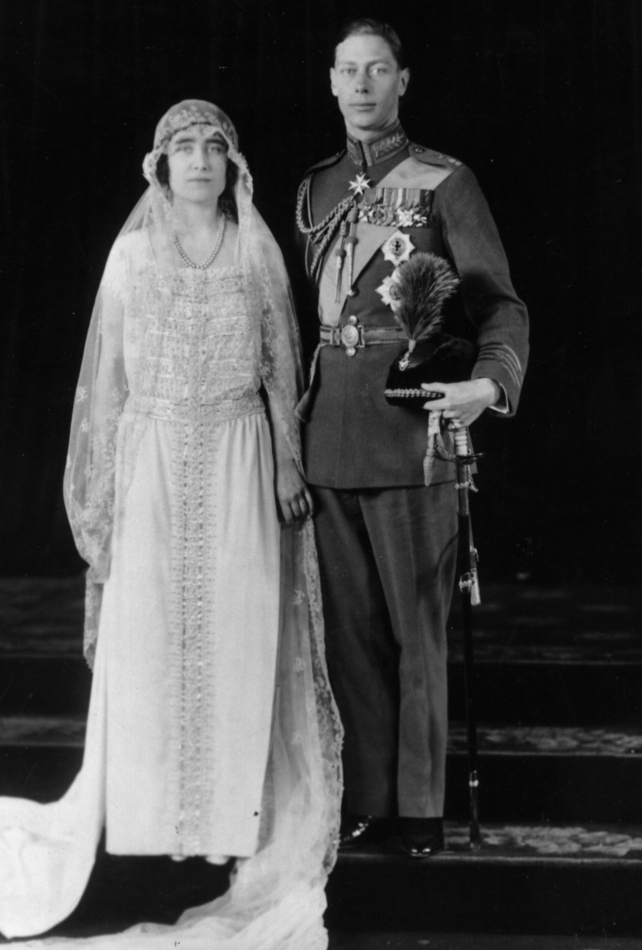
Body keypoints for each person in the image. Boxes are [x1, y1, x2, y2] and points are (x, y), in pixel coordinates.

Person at [0, 100, 342, 950]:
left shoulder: (256, 249)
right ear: (159, 166)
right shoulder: (132, 254)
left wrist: (285, 461)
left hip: (243, 460)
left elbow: (282, 364)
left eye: (214, 148)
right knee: (156, 643)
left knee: (237, 638)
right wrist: (107, 499)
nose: (200, 162)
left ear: (233, 164)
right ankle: (153, 825)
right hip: (157, 466)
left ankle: (225, 825)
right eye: (184, 150)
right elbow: (107, 387)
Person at [295, 20, 529, 857]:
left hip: (414, 431)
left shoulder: (444, 183)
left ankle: (422, 809)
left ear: (403, 80)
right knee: (351, 635)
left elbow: (500, 304)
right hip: (331, 436)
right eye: (349, 71)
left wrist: (488, 384)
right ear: (331, 82)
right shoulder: (316, 191)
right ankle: (372, 800)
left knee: (416, 631)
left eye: (378, 70)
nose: (362, 86)